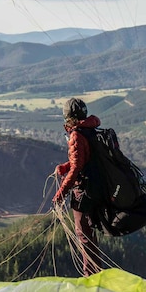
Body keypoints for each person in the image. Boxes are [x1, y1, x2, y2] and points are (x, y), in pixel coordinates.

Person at [52, 97, 102, 276]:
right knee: (89, 236)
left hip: (85, 193)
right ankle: (95, 275)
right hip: (98, 188)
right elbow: (85, 159)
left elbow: (77, 168)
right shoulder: (91, 130)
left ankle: (92, 277)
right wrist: (65, 167)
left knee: (84, 236)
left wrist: (60, 193)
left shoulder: (76, 135)